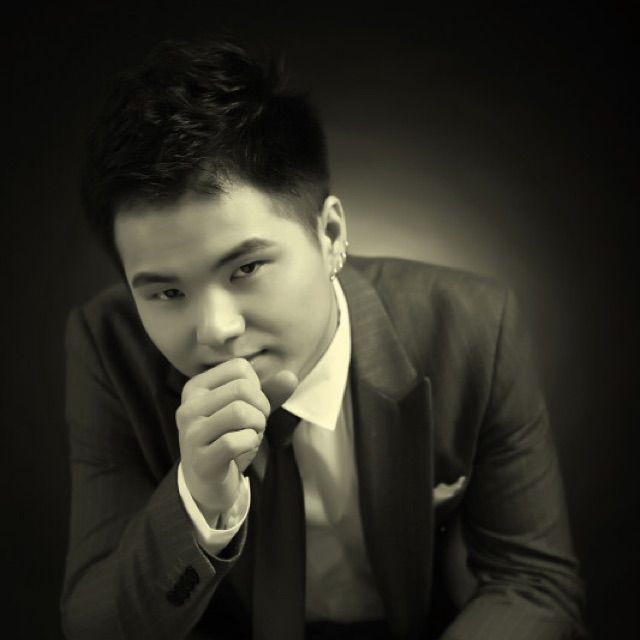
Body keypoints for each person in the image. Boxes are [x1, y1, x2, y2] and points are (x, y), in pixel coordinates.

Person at [60, 38, 587, 640]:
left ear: (330, 233)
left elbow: (533, 584)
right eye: (167, 293)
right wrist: (195, 500)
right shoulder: (107, 346)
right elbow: (93, 627)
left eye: (246, 268)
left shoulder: (470, 326)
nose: (215, 330)